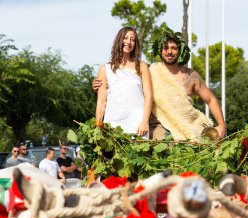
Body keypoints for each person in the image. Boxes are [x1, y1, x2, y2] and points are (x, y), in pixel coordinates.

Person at [93, 25, 226, 141]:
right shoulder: (152, 71)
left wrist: (221, 125)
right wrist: (97, 84)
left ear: (180, 51)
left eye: (174, 48)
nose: (169, 51)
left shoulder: (191, 76)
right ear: (160, 51)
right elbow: (121, 85)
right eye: (166, 48)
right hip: (156, 128)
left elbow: (211, 100)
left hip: (188, 126)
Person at [95, 26, 153, 138]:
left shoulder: (142, 66)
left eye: (132, 39)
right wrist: (98, 126)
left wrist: (144, 122)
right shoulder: (105, 69)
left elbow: (149, 97)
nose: (128, 42)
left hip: (137, 127)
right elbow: (101, 101)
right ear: (119, 40)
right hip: (112, 126)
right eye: (125, 38)